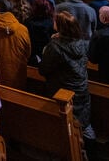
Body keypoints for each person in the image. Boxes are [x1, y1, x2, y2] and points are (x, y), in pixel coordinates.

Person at [40, 11, 94, 139]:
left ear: (59, 27)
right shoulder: (82, 43)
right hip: (80, 87)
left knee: (66, 124)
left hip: (62, 89)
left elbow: (43, 69)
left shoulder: (55, 47)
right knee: (84, 122)